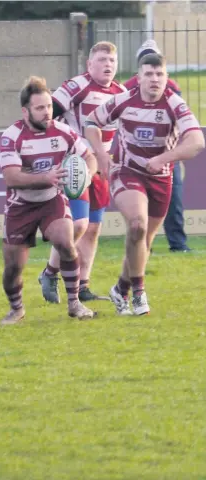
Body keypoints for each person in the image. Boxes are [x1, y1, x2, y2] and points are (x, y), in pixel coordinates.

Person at [85, 53, 204, 315]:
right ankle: (139, 293)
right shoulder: (124, 100)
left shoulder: (174, 103)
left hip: (161, 177)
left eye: (159, 74)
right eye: (149, 74)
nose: (154, 79)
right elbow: (91, 121)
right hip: (127, 170)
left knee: (144, 241)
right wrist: (101, 154)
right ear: (138, 78)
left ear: (166, 78)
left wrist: (165, 157)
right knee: (137, 225)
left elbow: (196, 142)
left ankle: (121, 288)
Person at [0, 76, 97, 326]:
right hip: (20, 205)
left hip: (51, 200)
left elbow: (89, 157)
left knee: (66, 242)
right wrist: (46, 177)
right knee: (13, 268)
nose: (47, 113)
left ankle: (74, 304)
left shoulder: (64, 131)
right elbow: (12, 177)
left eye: (49, 106)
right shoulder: (12, 136)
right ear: (25, 111)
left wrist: (85, 178)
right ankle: (17, 309)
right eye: (40, 108)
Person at [39, 41, 126, 303]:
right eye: (101, 60)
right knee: (78, 225)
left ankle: (82, 285)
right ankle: (50, 272)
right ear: (90, 65)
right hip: (75, 164)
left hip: (100, 168)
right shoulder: (78, 85)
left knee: (93, 229)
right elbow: (48, 113)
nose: (107, 65)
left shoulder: (121, 92)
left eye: (111, 60)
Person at [124, 40, 190, 253]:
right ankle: (146, 246)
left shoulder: (172, 88)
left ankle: (177, 243)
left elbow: (180, 123)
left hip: (165, 155)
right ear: (140, 67)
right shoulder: (127, 88)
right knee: (139, 205)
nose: (153, 76)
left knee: (173, 200)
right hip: (136, 157)